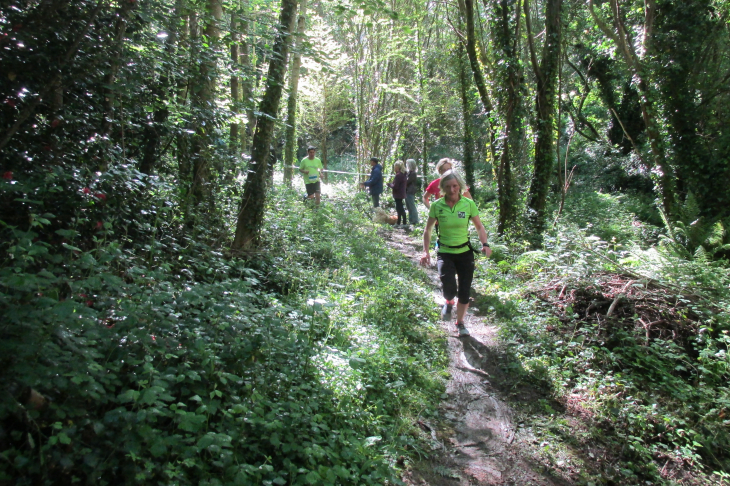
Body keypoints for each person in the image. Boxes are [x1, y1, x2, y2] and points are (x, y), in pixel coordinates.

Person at [420, 170, 491, 337]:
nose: (452, 190)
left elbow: (479, 226)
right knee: (449, 286)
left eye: (455, 186)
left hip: (465, 253)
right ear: (442, 188)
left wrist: (485, 244)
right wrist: (426, 252)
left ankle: (460, 323)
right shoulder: (437, 205)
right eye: (448, 187)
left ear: (460, 186)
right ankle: (449, 300)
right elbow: (428, 229)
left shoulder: (468, 204)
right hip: (445, 252)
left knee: (465, 291)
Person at [387, 160, 407, 228]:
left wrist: (389, 185)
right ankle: (400, 222)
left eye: (395, 167)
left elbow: (396, 186)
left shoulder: (398, 175)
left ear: (397, 167)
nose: (394, 168)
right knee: (400, 208)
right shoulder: (403, 174)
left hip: (398, 194)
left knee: (400, 208)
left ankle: (403, 223)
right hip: (401, 193)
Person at [405, 159, 420, 225]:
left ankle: (415, 220)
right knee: (408, 206)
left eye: (407, 164)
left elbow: (407, 182)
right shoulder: (409, 173)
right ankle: (411, 220)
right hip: (407, 191)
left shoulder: (413, 173)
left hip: (410, 191)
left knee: (412, 206)